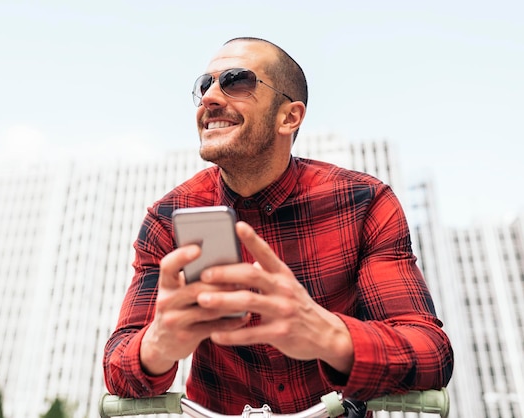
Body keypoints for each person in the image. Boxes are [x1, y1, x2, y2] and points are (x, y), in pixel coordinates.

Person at [103, 37, 454, 414]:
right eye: (204, 86)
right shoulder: (167, 218)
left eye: (237, 81)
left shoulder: (366, 202)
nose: (209, 97)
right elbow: (117, 366)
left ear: (289, 117)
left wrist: (328, 335)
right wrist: (158, 344)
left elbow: (431, 353)